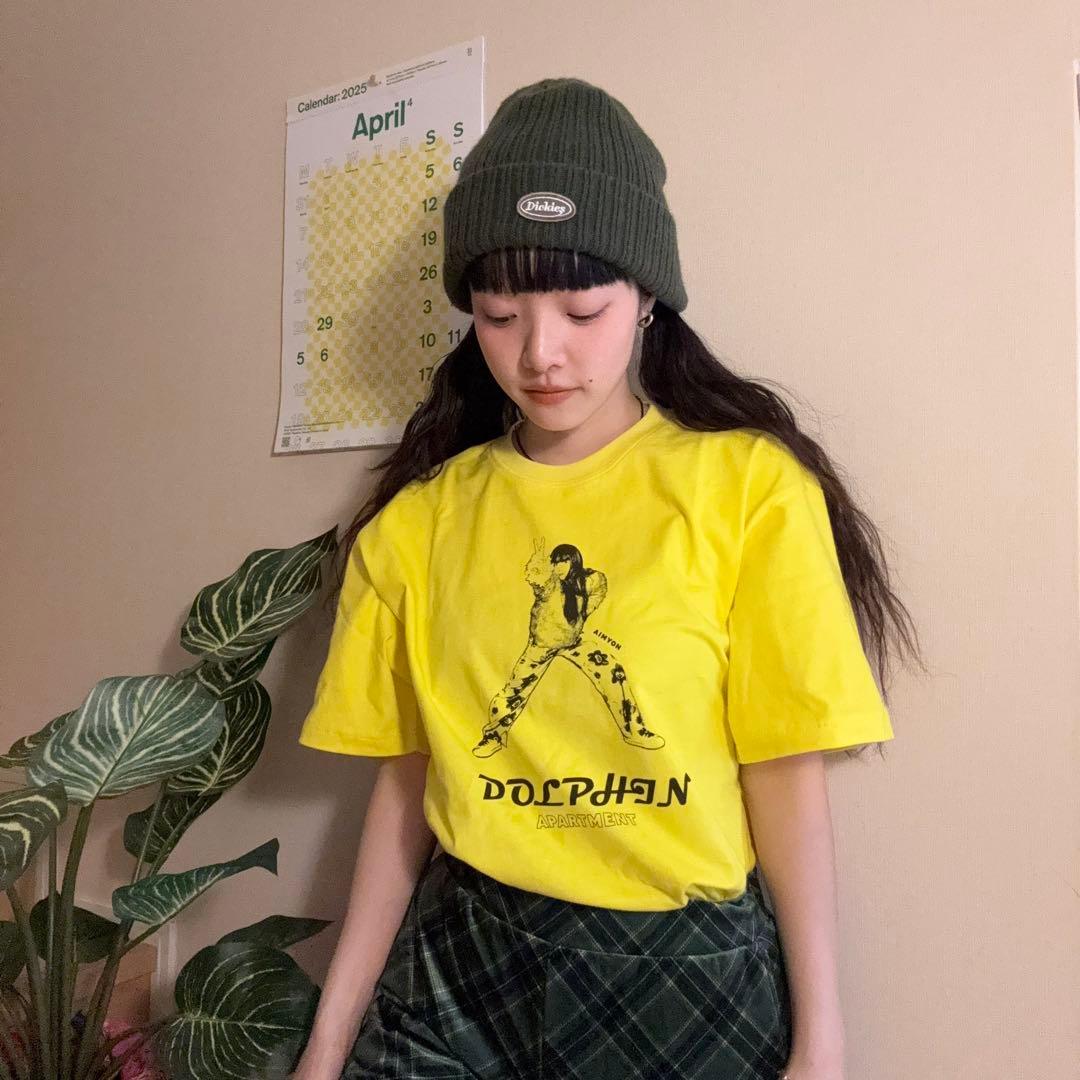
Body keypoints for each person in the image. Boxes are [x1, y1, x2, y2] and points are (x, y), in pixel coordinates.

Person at [291, 77, 922, 1080]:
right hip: (460, 962)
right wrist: (326, 1047)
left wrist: (823, 1040)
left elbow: (784, 777)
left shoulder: (749, 490)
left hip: (679, 972)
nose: (541, 354)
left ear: (648, 299)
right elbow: (405, 786)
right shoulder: (417, 523)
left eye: (583, 309)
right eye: (499, 315)